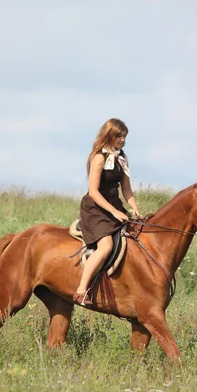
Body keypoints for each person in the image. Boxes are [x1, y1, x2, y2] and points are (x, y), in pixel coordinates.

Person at [73, 118, 141, 306]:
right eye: (119, 136)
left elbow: (126, 189)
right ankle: (81, 291)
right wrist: (114, 211)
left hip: (114, 207)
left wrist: (134, 207)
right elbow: (93, 191)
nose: (122, 140)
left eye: (124, 136)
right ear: (109, 135)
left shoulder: (121, 157)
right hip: (95, 209)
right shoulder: (99, 157)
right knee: (106, 247)